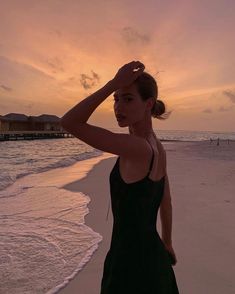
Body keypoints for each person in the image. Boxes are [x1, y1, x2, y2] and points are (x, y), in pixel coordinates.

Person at [61, 61, 179, 293]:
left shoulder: (136, 148)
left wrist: (112, 84)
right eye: (115, 99)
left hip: (129, 263)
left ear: (149, 104)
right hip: (154, 256)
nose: (118, 107)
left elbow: (69, 123)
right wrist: (167, 242)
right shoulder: (157, 147)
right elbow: (166, 200)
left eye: (127, 99)